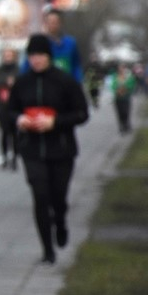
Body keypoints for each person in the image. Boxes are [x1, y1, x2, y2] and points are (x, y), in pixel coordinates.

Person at [7, 34, 89, 265]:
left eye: (41, 55)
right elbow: (10, 111)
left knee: (58, 197)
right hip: (32, 149)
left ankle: (60, 221)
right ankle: (47, 249)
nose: (36, 60)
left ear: (49, 57)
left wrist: (56, 122)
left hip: (61, 149)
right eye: (32, 55)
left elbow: (82, 113)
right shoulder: (22, 83)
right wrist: (19, 119)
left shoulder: (65, 81)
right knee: (40, 196)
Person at [24, 6, 83, 82]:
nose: (53, 25)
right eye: (50, 22)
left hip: (66, 86)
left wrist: (77, 83)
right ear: (46, 23)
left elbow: (76, 66)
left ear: (60, 23)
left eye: (55, 22)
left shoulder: (70, 43)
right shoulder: (39, 44)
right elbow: (27, 67)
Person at [0, 47, 21, 170]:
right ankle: (5, 157)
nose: (7, 58)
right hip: (1, 105)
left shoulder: (18, 71)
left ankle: (15, 158)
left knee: (14, 133)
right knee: (4, 132)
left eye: (10, 55)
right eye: (5, 55)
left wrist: (14, 84)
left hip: (15, 105)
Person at [111, 63, 136, 135]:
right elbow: (112, 85)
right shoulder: (115, 77)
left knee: (126, 112)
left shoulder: (128, 77)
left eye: (122, 68)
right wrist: (117, 90)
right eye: (119, 68)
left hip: (126, 97)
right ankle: (121, 126)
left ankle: (126, 124)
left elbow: (132, 84)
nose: (121, 69)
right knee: (119, 113)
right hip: (118, 98)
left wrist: (126, 89)